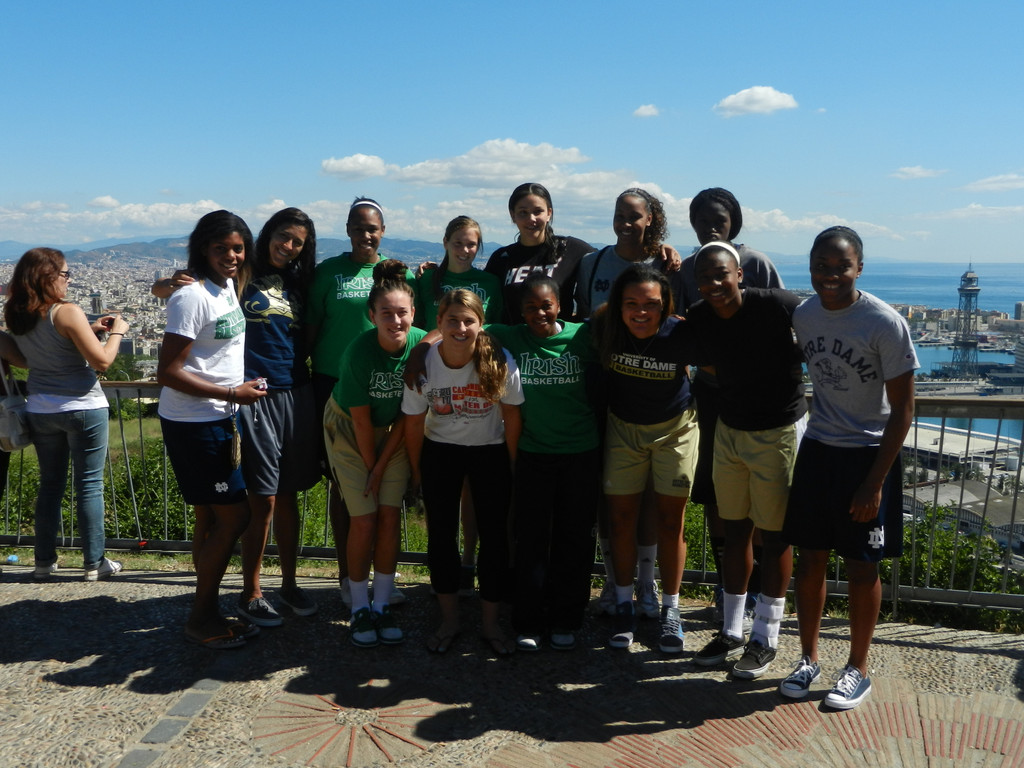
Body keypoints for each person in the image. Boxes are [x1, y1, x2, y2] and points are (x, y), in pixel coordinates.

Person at [154, 208, 322, 627]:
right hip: (246, 399)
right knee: (252, 502)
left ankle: (284, 583)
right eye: (283, 236)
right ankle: (244, 593)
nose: (288, 246)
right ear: (266, 236)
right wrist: (169, 284)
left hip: (291, 391)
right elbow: (182, 298)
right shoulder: (240, 274)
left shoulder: (285, 280)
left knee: (286, 496)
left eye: (298, 241)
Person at [778, 226, 917, 709]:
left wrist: (875, 482)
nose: (831, 276)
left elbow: (903, 411)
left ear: (859, 267)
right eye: (822, 266)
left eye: (842, 266)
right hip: (818, 448)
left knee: (862, 566)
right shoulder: (805, 314)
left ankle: (858, 668)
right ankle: (808, 657)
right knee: (811, 559)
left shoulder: (883, 322)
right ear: (811, 267)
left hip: (867, 455)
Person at [685, 241, 806, 679]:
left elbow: (821, 329)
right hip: (729, 432)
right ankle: (732, 629)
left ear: (740, 274)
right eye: (705, 278)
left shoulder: (776, 304)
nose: (714, 284)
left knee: (775, 538)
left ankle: (766, 637)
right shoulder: (700, 316)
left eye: (722, 274)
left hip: (777, 432)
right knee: (734, 534)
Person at [157, 210, 267, 649]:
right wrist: (232, 394)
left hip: (217, 416)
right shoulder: (192, 297)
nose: (232, 256)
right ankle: (201, 616)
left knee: (211, 516)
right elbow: (168, 370)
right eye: (222, 248)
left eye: (238, 248)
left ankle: (208, 609)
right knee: (236, 514)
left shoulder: (225, 290)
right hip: (195, 421)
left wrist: (233, 396)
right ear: (204, 248)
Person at [575, 187, 684, 619]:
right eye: (619, 213)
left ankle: (647, 582)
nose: (625, 221)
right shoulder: (592, 263)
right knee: (612, 493)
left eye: (634, 215)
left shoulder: (667, 264)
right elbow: (580, 317)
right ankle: (613, 579)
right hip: (604, 382)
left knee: (652, 500)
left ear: (651, 220)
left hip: (653, 391)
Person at [680, 188, 784, 623]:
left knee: (760, 500)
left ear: (733, 223)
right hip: (707, 394)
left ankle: (760, 594)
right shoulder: (686, 267)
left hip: (757, 399)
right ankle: (729, 591)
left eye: (719, 220)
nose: (710, 227)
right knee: (716, 495)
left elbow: (782, 322)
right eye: (703, 219)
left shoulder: (756, 262)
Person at [402, 289, 524, 655]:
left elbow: (513, 417)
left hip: (489, 451)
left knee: (494, 539)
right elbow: (412, 422)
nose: (460, 327)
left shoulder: (499, 360)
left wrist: (514, 466)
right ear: (437, 323)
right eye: (452, 319)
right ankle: (449, 619)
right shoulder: (424, 364)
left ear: (480, 324)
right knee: (441, 537)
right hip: (441, 452)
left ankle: (490, 623)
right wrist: (415, 470)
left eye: (468, 320)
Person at [306, 198, 415, 607]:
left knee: (385, 498)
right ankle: (346, 576)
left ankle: (380, 580)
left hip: (387, 385)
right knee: (345, 490)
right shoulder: (328, 273)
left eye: (372, 228)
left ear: (382, 231)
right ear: (348, 230)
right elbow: (313, 328)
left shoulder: (397, 273)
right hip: (338, 384)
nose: (365, 235)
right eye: (358, 228)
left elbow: (416, 328)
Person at [487, 272, 601, 652]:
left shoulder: (581, 337)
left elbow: (614, 318)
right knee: (531, 540)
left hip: (580, 454)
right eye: (531, 307)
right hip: (534, 455)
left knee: (574, 540)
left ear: (561, 306)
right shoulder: (512, 337)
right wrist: (423, 347)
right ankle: (528, 620)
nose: (539, 312)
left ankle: (567, 617)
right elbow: (466, 324)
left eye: (546, 305)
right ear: (521, 312)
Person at [4, 248, 127, 582]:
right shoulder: (66, 311)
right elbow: (102, 362)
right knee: (88, 486)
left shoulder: (16, 312)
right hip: (83, 406)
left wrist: (86, 329)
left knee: (50, 486)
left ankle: (43, 562)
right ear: (48, 277)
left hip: (41, 408)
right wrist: (116, 332)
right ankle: (94, 562)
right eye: (65, 274)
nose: (68, 280)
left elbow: (29, 357)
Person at [593, 265, 696, 653]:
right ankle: (623, 602)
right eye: (631, 303)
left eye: (651, 305)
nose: (641, 312)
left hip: (676, 428)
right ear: (618, 305)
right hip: (624, 427)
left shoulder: (680, 332)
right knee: (620, 518)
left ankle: (671, 608)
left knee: (671, 522)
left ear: (665, 306)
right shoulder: (605, 325)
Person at [325, 259, 426, 647]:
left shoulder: (420, 344)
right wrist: (372, 468)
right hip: (351, 430)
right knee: (363, 518)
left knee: (388, 517)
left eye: (403, 313)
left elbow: (408, 413)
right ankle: (358, 605)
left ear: (413, 313)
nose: (396, 321)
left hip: (394, 432)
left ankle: (382, 603)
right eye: (387, 313)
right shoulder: (358, 352)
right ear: (372, 316)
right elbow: (361, 422)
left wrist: (383, 466)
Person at [414, 215, 503, 595]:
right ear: (446, 241)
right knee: (449, 497)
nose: (466, 250)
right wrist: (422, 349)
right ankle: (453, 570)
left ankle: (471, 561)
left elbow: (491, 329)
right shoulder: (425, 279)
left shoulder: (488, 284)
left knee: (476, 495)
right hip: (435, 379)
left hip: (478, 384)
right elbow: (420, 322)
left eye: (472, 245)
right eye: (459, 243)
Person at [484, 183, 594, 324]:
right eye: (523, 212)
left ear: (549, 213)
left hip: (558, 343)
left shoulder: (570, 249)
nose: (531, 219)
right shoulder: (501, 258)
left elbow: (606, 263)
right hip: (512, 343)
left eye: (538, 211)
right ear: (513, 215)